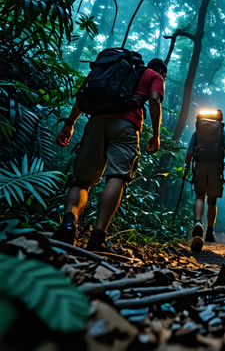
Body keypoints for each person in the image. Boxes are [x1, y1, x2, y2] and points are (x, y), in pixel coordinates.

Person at [53, 58, 167, 252]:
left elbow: (85, 94)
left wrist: (69, 123)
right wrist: (156, 135)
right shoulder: (154, 76)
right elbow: (154, 99)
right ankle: (97, 238)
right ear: (162, 73)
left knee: (81, 182)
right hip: (126, 125)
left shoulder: (114, 72)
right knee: (117, 176)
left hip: (96, 123)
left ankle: (69, 225)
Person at [184, 110, 225, 251]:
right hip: (215, 168)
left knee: (200, 196)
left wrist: (186, 167)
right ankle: (210, 232)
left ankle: (198, 222)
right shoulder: (222, 133)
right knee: (212, 201)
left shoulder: (197, 132)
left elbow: (189, 153)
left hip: (199, 166)